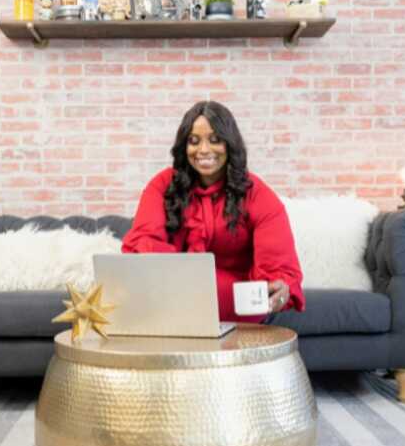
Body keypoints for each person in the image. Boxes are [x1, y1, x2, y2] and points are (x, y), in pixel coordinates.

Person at [122, 101, 305, 323]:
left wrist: (278, 288)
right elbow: (145, 244)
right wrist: (182, 279)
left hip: (234, 309)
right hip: (173, 298)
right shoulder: (162, 185)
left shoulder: (257, 194)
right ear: (184, 146)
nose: (204, 150)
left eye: (215, 140)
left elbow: (277, 265)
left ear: (230, 144)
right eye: (194, 141)